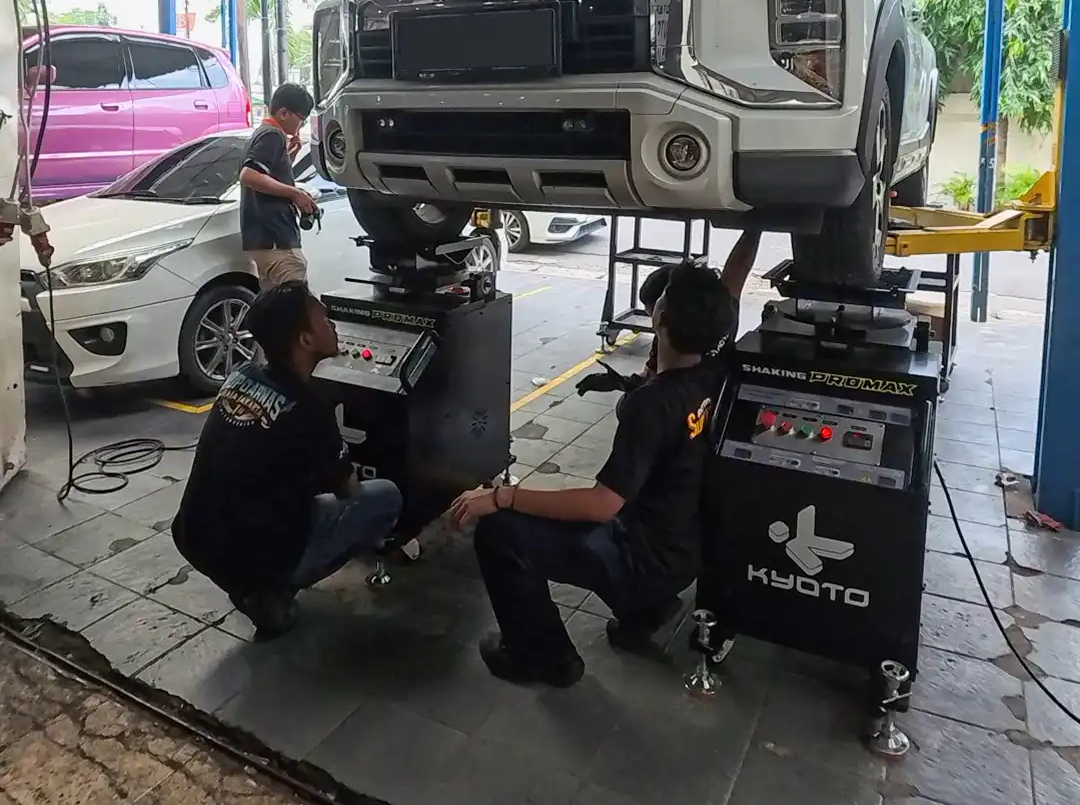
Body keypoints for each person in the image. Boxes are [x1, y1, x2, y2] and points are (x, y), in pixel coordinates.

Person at [448, 254, 757, 688]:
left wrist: (502, 497)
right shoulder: (715, 365)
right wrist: (756, 225)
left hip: (643, 555)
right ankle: (645, 610)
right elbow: (734, 280)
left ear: (661, 315)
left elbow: (601, 504)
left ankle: (545, 658)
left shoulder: (653, 405)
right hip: (685, 547)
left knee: (501, 533)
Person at [171, 281, 402, 638]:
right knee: (385, 496)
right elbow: (349, 492)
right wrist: (338, 461)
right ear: (305, 341)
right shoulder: (308, 409)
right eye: (325, 322)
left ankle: (250, 581)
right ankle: (271, 589)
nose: (334, 327)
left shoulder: (239, 378)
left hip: (193, 535)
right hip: (251, 549)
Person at [575, 228, 762, 399]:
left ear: (665, 315)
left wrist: (625, 386)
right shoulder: (720, 313)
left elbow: (653, 381)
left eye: (653, 314)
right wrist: (755, 229)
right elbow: (738, 269)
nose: (653, 324)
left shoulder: (672, 349)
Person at [240, 83, 318, 289]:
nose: (301, 126)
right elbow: (249, 175)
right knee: (295, 306)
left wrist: (288, 156)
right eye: (301, 119)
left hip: (260, 240)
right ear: (284, 113)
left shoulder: (260, 133)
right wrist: (295, 194)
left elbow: (265, 175)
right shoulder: (272, 135)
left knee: (274, 307)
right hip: (276, 239)